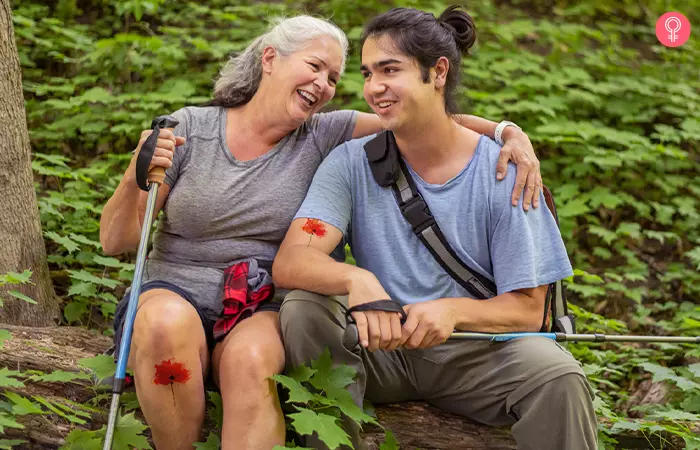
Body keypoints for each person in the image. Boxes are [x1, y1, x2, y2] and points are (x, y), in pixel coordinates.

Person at [100, 14, 542, 450]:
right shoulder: (191, 130)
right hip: (174, 287)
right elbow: (115, 242)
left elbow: (427, 119)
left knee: (251, 361)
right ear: (270, 58)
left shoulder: (324, 133)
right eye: (315, 67)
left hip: (259, 302)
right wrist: (133, 175)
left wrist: (507, 132)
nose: (324, 85)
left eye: (333, 78)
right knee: (163, 324)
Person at [273, 6, 597, 450]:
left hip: (477, 355)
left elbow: (528, 311)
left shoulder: (504, 169)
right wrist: (356, 277)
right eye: (367, 74)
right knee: (304, 307)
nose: (374, 88)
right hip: (381, 351)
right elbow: (293, 259)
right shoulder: (349, 163)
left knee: (558, 375)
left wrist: (453, 310)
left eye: (390, 70)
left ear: (437, 72)